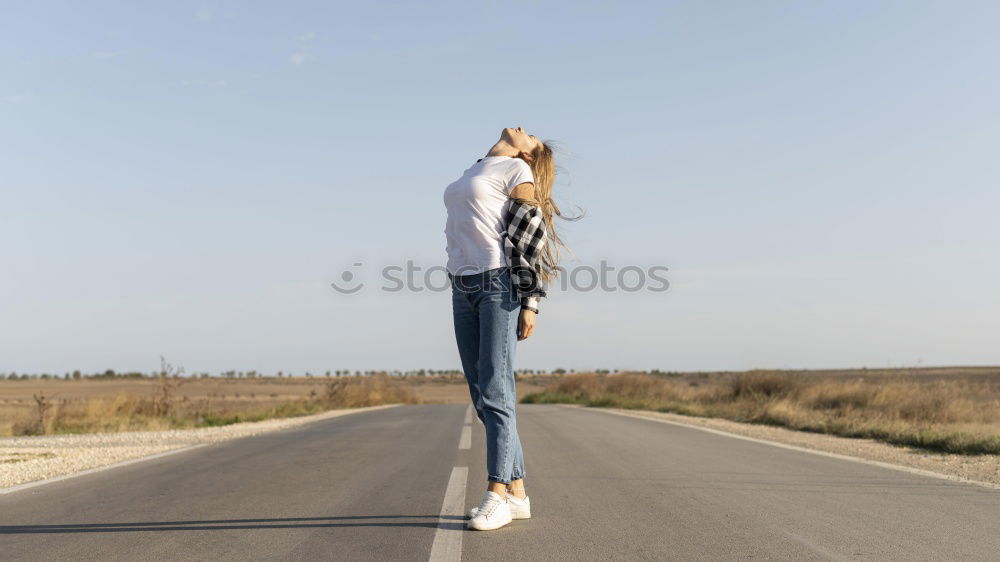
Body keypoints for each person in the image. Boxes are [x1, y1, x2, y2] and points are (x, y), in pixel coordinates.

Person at [443, 126, 571, 531]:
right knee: (482, 392)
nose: (522, 129)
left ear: (527, 156)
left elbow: (530, 244)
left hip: (497, 281)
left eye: (530, 137)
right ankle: (518, 492)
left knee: (496, 388)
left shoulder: (520, 175)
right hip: (462, 283)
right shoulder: (478, 168)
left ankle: (496, 493)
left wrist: (530, 302)